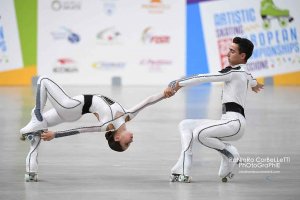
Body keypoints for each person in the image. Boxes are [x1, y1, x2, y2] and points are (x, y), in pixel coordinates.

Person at [20, 76, 170, 181]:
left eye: (127, 144)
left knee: (44, 80)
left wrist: (55, 135)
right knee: (37, 128)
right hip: (72, 110)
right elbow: (148, 101)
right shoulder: (128, 115)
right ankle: (31, 165)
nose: (131, 141)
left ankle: (37, 117)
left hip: (71, 107)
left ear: (117, 138)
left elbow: (81, 129)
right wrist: (165, 94)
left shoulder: (106, 125)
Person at [164, 37, 264, 183]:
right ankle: (184, 166)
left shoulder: (233, 72)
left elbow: (204, 77)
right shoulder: (244, 72)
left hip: (234, 123)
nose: (228, 54)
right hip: (227, 122)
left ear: (242, 56)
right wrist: (255, 84)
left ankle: (229, 153)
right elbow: (251, 78)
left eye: (232, 51)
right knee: (186, 125)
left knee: (199, 133)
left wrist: (177, 83)